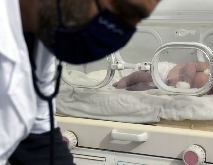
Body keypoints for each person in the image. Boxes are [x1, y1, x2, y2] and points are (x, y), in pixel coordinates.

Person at [0, 0, 161, 165]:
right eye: (122, 10)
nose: (119, 33)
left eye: (137, 19)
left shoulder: (40, 42)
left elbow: (39, 142)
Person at [113, 61, 213, 95]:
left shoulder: (212, 93)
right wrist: (186, 81)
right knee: (140, 75)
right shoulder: (210, 68)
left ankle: (126, 90)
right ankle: (126, 80)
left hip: (166, 89)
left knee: (141, 89)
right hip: (166, 74)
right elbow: (190, 65)